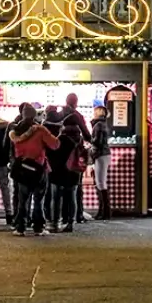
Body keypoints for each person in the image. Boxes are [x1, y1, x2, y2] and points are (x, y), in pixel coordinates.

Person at [9, 102, 59, 236]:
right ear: (33, 116)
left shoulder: (15, 131)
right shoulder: (40, 129)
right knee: (38, 200)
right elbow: (55, 145)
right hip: (38, 169)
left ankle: (20, 228)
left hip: (22, 169)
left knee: (23, 200)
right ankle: (38, 228)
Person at [45, 115, 86, 233]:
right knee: (72, 197)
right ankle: (70, 223)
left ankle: (55, 222)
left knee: (56, 198)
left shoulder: (61, 138)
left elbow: (51, 153)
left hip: (58, 171)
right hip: (73, 171)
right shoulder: (79, 138)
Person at [61, 93, 91, 223]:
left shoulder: (59, 114)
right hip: (74, 154)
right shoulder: (77, 116)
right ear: (75, 102)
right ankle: (77, 215)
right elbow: (86, 134)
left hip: (61, 153)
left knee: (61, 185)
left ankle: (63, 215)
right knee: (76, 186)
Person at [90, 105, 112, 220]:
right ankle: (103, 211)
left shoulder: (98, 125)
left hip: (100, 154)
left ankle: (104, 212)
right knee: (101, 183)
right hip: (104, 154)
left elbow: (97, 141)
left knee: (100, 183)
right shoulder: (102, 124)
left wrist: (89, 141)